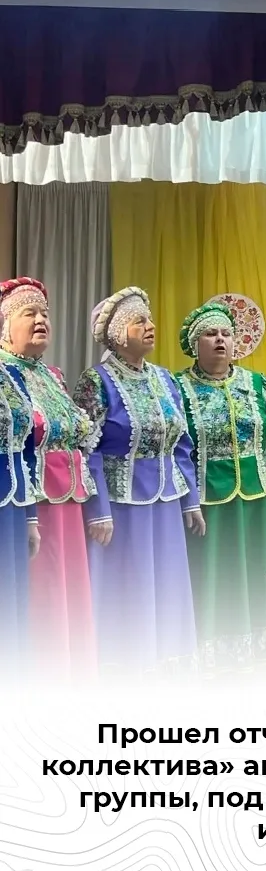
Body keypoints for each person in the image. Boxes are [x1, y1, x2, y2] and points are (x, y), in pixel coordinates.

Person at [73, 287, 205, 675]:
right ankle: (124, 667)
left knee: (166, 584)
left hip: (165, 501)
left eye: (149, 319)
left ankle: (165, 664)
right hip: (119, 508)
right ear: (117, 334)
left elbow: (181, 442)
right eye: (139, 321)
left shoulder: (164, 378)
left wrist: (190, 499)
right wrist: (98, 510)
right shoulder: (95, 381)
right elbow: (87, 448)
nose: (150, 326)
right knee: (128, 586)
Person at [175, 300, 266, 673]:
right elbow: (175, 448)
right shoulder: (178, 388)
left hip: (254, 495)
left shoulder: (257, 384)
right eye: (210, 334)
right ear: (195, 344)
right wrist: (186, 498)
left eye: (226, 333)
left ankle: (258, 643)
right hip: (206, 499)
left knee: (256, 569)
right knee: (213, 572)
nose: (220, 340)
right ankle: (212, 647)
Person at [0, 277, 97, 679]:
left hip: (68, 501)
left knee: (68, 590)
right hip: (31, 501)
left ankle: (71, 673)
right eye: (30, 313)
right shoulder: (4, 373)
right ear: (5, 325)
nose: (41, 320)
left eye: (45, 314)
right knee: (41, 593)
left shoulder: (53, 375)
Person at [0, 352, 39, 672]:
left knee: (10, 601)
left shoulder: (12, 375)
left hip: (12, 507)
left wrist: (31, 517)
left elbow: (26, 450)